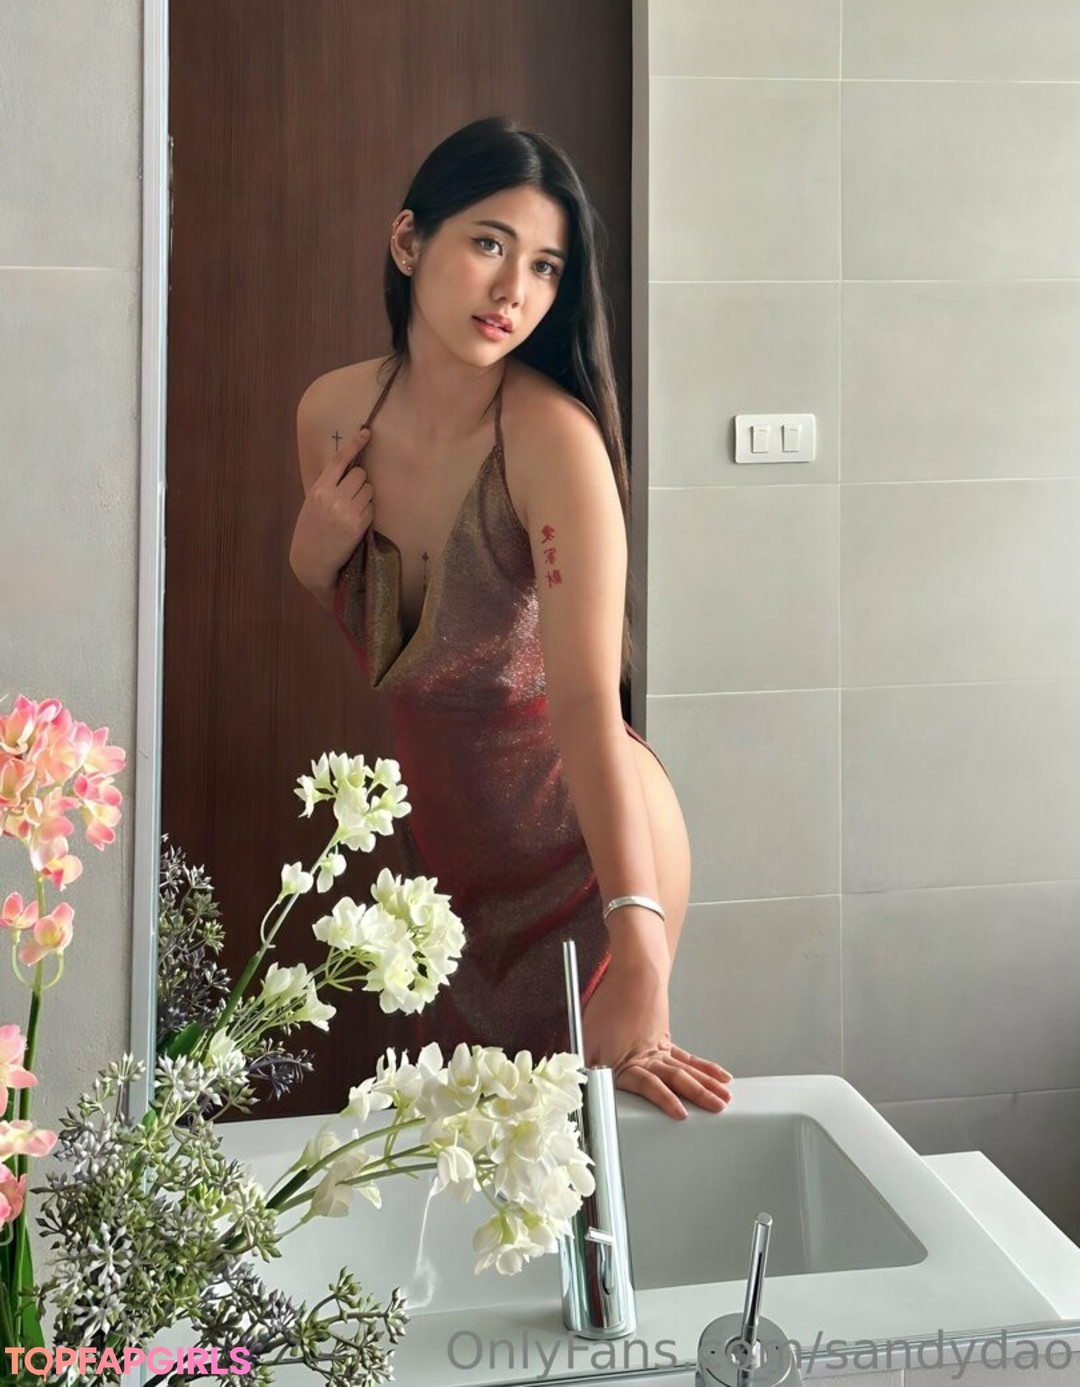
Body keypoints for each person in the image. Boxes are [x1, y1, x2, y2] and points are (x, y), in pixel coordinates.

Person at [289, 115, 731, 1120]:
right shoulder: (329, 416)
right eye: (489, 243)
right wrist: (309, 560)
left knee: (580, 1162)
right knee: (454, 1159)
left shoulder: (551, 443)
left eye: (544, 266)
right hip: (448, 870)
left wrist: (641, 941)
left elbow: (586, 703)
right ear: (409, 242)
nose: (513, 291)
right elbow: (392, 648)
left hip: (589, 862)